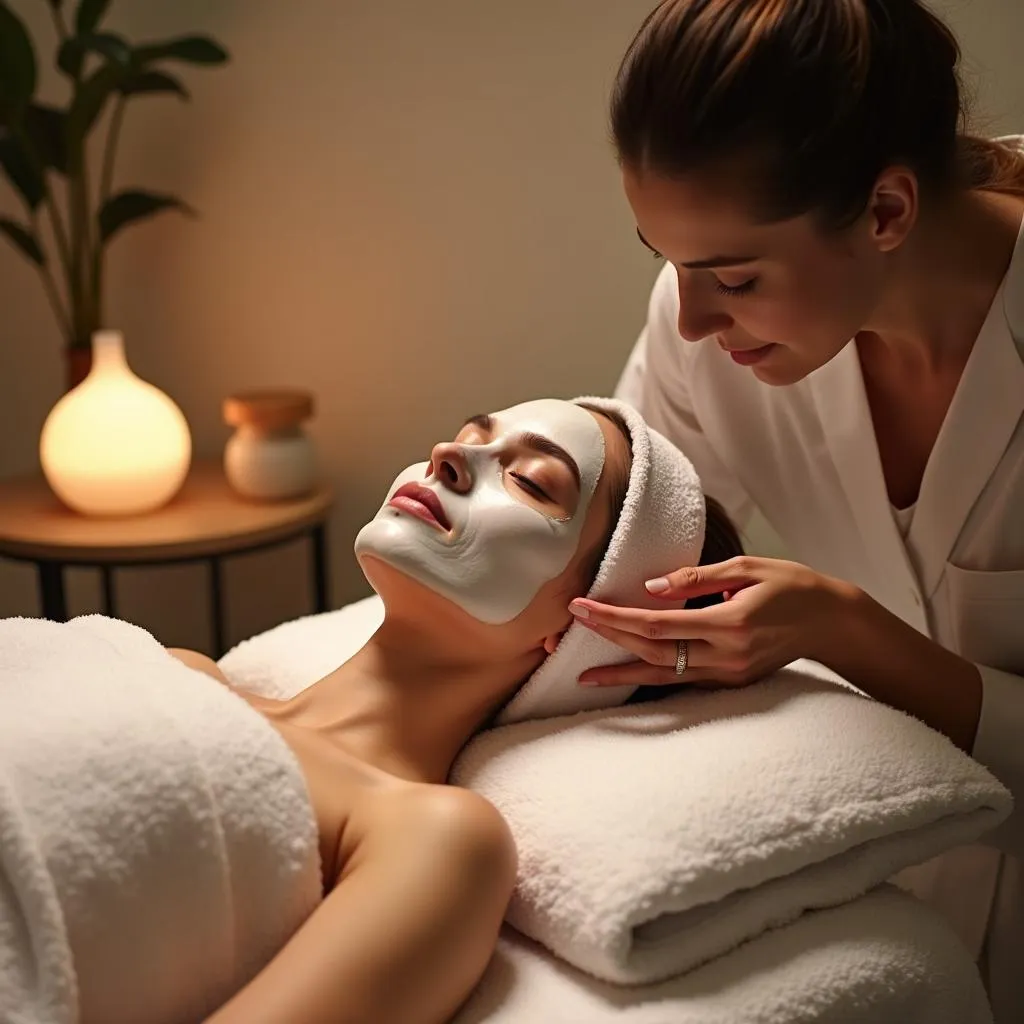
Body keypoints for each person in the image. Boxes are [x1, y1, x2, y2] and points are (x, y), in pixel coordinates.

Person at [565, 1, 1023, 1019]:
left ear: (886, 211)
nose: (687, 317)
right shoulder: (703, 327)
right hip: (885, 933)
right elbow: (606, 567)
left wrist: (845, 631)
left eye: (732, 275)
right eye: (663, 258)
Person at [166, 397, 741, 1024]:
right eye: (468, 435)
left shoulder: (435, 839)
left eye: (530, 482)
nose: (449, 456)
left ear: (584, 627)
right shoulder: (180, 671)